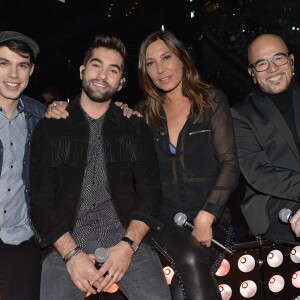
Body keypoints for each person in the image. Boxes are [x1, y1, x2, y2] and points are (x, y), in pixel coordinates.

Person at [29, 33, 172, 300]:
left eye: (113, 70)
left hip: (125, 241)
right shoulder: (51, 127)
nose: (102, 75)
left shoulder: (135, 127)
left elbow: (151, 193)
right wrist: (71, 254)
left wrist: (127, 247)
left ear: (121, 83)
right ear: (83, 70)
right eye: (96, 65)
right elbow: (41, 200)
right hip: (66, 242)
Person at [136, 31, 239, 299]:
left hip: (211, 217)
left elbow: (229, 164)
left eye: (166, 57)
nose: (160, 69)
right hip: (166, 221)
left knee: (182, 290)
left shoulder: (211, 101)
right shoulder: (144, 114)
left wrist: (207, 215)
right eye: (150, 63)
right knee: (192, 261)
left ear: (182, 58)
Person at [231, 33, 300, 244]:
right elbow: (259, 173)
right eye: (262, 64)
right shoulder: (240, 114)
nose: (272, 69)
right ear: (252, 73)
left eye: (278, 58)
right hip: (273, 202)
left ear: (291, 61)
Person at [0, 31, 45, 300]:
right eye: (3, 63)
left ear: (31, 71)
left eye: (22, 65)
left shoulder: (40, 117)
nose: (13, 74)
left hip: (21, 237)